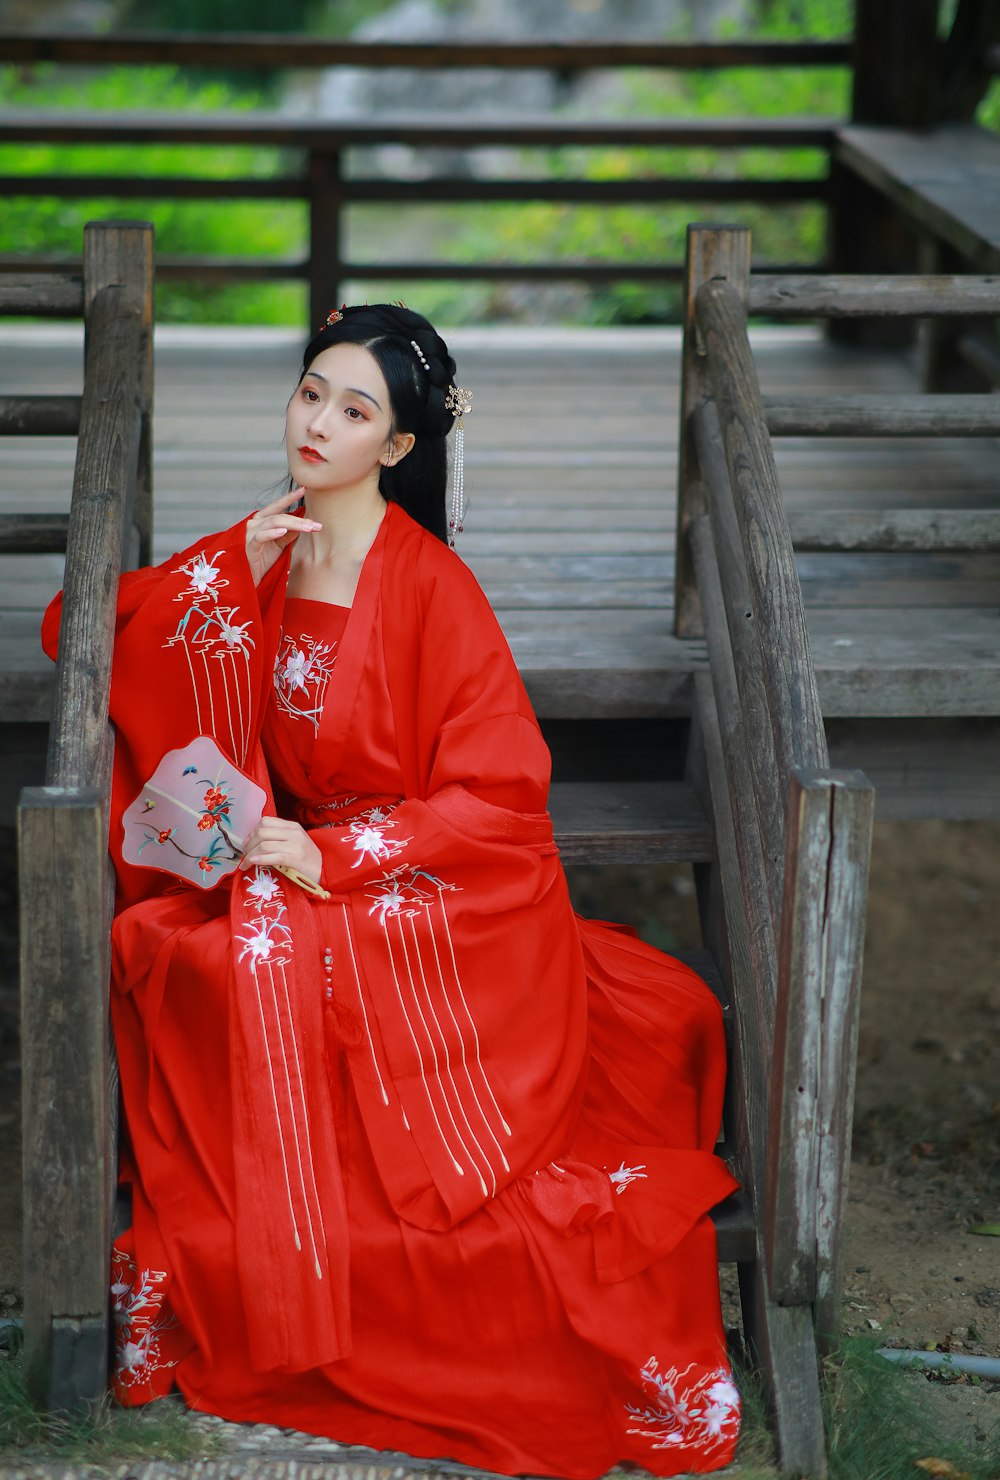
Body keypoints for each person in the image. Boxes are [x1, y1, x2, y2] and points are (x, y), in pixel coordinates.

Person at [43, 304, 741, 1478]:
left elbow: (504, 797)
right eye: (310, 391)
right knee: (202, 948)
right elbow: (82, 628)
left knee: (260, 955)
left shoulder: (431, 591)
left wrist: (342, 858)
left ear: (400, 448)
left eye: (353, 410)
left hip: (432, 885)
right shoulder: (257, 548)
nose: (317, 422)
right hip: (286, 858)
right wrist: (224, 571)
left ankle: (372, 1208)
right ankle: (279, 1202)